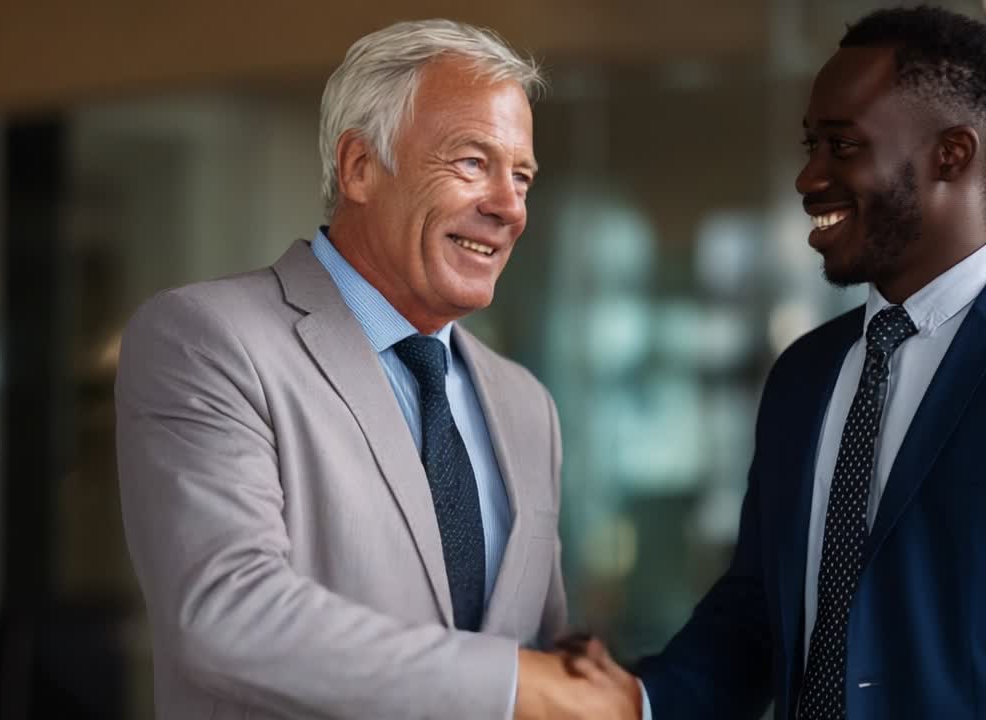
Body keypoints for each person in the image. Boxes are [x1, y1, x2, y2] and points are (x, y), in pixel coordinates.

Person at [594, 6, 986, 719]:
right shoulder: (803, 376)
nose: (808, 177)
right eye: (810, 145)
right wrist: (626, 700)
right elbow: (756, 613)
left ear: (952, 154)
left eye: (842, 146)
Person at [115, 19, 633, 720]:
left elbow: (537, 648)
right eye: (472, 163)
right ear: (359, 166)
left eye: (522, 177)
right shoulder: (206, 340)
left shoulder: (527, 403)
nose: (509, 207)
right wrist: (515, 686)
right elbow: (228, 614)